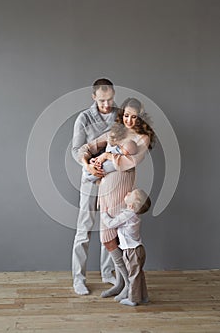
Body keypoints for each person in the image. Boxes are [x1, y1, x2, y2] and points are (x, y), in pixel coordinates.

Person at [80, 97, 155, 299]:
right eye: (126, 116)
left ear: (140, 117)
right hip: (104, 187)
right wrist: (89, 164)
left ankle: (129, 285)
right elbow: (86, 148)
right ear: (122, 115)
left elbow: (129, 163)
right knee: (111, 239)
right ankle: (123, 283)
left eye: (134, 117)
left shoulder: (142, 137)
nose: (129, 120)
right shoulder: (116, 132)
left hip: (121, 190)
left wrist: (105, 157)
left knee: (110, 239)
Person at [72, 78, 118, 295]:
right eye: (102, 100)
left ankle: (108, 273)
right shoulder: (84, 117)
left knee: (109, 227)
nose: (106, 104)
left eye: (110, 99)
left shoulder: (120, 116)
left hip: (113, 178)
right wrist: (88, 166)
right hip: (90, 177)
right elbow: (76, 149)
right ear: (93, 97)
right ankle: (78, 278)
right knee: (84, 230)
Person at [101, 189, 151, 306]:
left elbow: (111, 223)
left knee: (133, 276)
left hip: (131, 251)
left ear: (131, 205)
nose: (127, 193)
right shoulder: (133, 214)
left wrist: (103, 213)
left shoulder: (127, 215)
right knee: (138, 275)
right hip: (138, 249)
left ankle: (133, 299)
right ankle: (144, 297)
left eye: (130, 194)